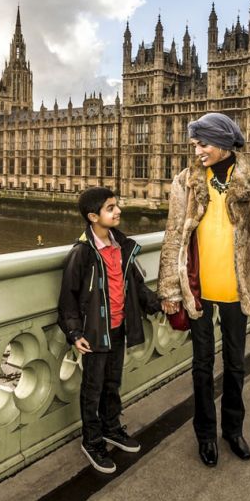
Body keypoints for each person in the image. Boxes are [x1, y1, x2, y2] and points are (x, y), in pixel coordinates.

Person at [158, 112, 250, 467]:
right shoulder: (186, 180)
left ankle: (233, 429)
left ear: (224, 142)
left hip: (237, 283)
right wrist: (170, 289)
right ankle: (204, 434)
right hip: (198, 285)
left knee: (235, 363)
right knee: (201, 365)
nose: (197, 150)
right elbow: (173, 237)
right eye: (195, 144)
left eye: (203, 143)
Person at [57, 187, 161, 473]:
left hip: (118, 328)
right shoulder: (82, 253)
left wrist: (159, 304)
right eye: (111, 208)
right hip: (93, 333)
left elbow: (137, 286)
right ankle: (91, 440)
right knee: (93, 389)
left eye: (117, 206)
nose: (118, 212)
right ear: (93, 217)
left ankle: (111, 428)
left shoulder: (122, 246)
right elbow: (68, 299)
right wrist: (75, 333)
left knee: (112, 383)